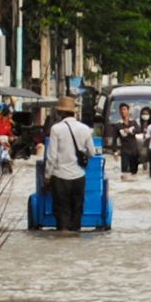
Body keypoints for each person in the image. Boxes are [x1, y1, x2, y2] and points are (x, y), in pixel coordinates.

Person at [42, 95, 96, 233]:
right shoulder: (85, 129)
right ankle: (75, 237)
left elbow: (51, 157)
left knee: (62, 211)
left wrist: (47, 176)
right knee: (77, 211)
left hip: (60, 177)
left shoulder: (56, 129)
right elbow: (92, 152)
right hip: (79, 177)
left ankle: (63, 238)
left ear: (60, 112)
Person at [115, 101, 140, 177]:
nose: (123, 111)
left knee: (134, 172)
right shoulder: (118, 125)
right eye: (121, 110)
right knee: (124, 172)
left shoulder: (133, 122)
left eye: (124, 109)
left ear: (128, 111)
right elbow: (115, 138)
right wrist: (115, 151)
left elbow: (139, 130)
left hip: (134, 150)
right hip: (125, 150)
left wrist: (130, 130)